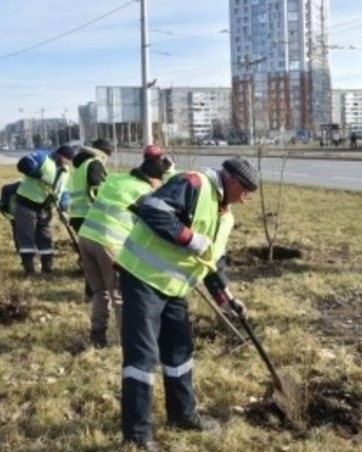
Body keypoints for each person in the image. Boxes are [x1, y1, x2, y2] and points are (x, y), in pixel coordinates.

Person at [115, 156, 259, 450]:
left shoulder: (226, 216)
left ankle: (182, 415)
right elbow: (152, 208)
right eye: (244, 192)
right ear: (232, 181)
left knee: (180, 351)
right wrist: (188, 238)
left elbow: (212, 262)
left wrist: (227, 299)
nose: (245, 200)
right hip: (142, 279)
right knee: (143, 357)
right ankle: (138, 435)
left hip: (175, 288)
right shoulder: (194, 183)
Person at [77, 145, 174, 348]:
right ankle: (129, 342)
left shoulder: (116, 179)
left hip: (86, 237)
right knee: (120, 295)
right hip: (109, 243)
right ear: (153, 178)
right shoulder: (144, 192)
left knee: (99, 292)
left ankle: (98, 338)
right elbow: (153, 223)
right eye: (160, 181)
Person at [13, 141, 74, 275]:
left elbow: (63, 190)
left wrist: (64, 209)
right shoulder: (42, 157)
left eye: (69, 161)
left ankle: (48, 268)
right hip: (27, 203)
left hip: (45, 208)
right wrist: (40, 175)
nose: (66, 163)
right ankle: (29, 270)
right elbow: (23, 164)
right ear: (59, 154)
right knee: (26, 236)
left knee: (45, 236)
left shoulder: (65, 171)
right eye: (66, 159)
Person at [67, 138, 113, 233]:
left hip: (77, 215)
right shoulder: (95, 163)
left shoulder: (82, 165)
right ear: (104, 152)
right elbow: (96, 188)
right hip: (89, 214)